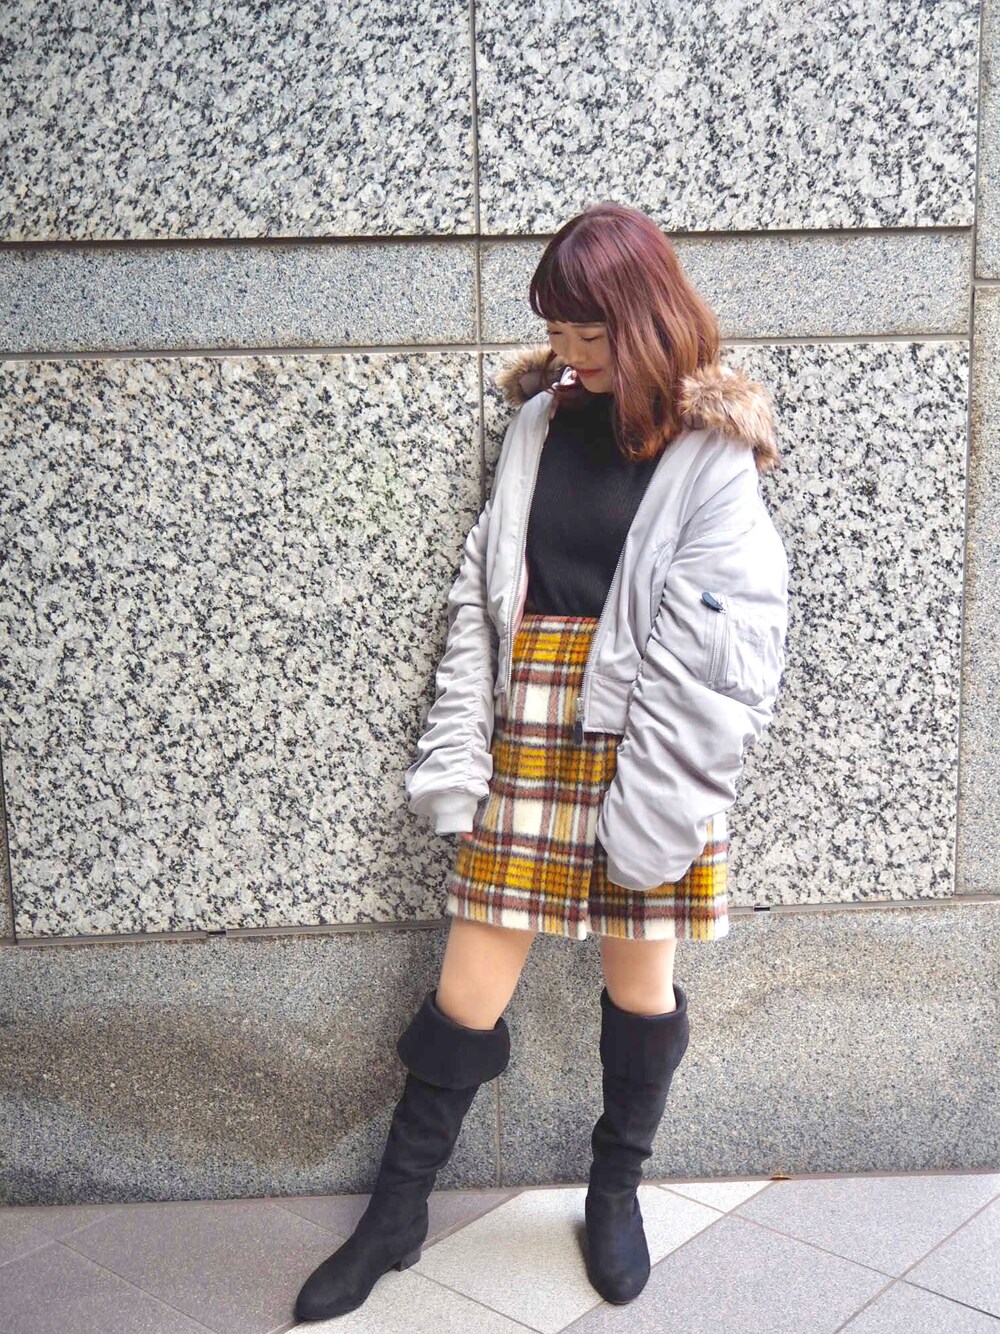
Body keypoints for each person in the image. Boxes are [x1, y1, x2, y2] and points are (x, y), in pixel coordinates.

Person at [294, 201, 790, 1322]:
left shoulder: (711, 453)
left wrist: (659, 796)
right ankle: (396, 1212)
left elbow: (722, 651)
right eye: (556, 331)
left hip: (653, 730)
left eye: (588, 332)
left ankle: (615, 1190)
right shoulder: (537, 426)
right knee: (467, 984)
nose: (567, 352)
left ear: (643, 317)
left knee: (639, 983)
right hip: (530, 727)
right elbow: (484, 600)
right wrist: (460, 747)